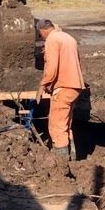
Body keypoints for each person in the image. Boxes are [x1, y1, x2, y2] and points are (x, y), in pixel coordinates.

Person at [36, 19, 85, 161]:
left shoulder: (52, 39)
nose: (42, 37)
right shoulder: (68, 38)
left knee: (56, 126)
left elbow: (52, 68)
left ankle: (62, 164)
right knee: (65, 125)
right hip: (75, 86)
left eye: (40, 35)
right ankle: (73, 158)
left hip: (63, 87)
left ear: (42, 31)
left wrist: (42, 85)